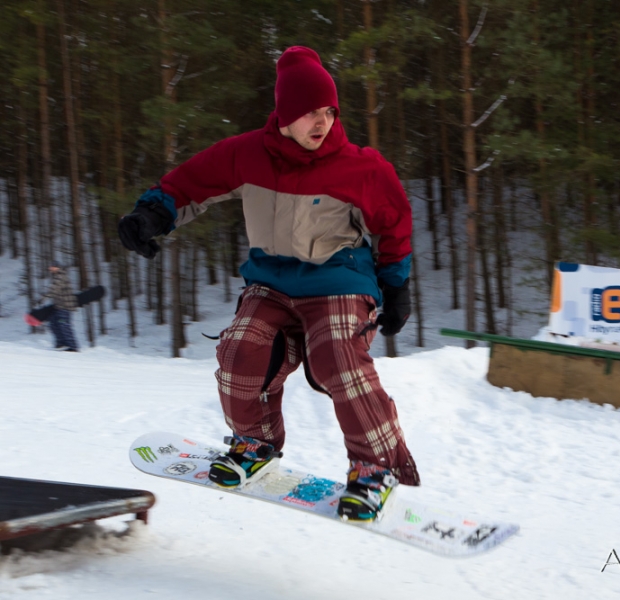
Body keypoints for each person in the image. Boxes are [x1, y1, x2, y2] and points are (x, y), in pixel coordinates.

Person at [117, 46, 419, 521]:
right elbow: (189, 183)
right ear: (283, 114)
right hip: (273, 283)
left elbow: (395, 224)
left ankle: (374, 469)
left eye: (328, 112)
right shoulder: (247, 155)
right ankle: (253, 445)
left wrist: (396, 286)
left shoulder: (362, 167)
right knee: (240, 347)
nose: (320, 123)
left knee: (338, 356)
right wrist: (152, 212)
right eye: (308, 113)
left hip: (339, 280)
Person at [41, 263, 79, 352]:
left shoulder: (61, 276)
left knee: (64, 325)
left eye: (51, 267)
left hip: (65, 306)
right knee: (53, 323)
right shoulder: (57, 276)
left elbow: (54, 289)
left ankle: (73, 346)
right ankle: (61, 343)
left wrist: (44, 297)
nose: (49, 268)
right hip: (59, 306)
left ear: (56, 267)